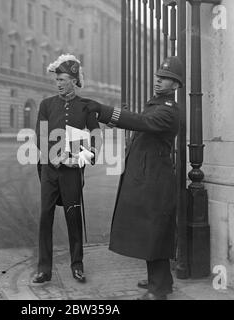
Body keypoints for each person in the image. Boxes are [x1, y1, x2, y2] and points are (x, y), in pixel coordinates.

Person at [83, 56, 183, 300]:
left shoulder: (168, 111)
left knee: (155, 230)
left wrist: (105, 111)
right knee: (152, 229)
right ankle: (161, 281)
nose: (158, 82)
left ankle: (158, 291)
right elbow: (141, 122)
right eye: (158, 78)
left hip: (156, 179)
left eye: (165, 79)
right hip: (150, 176)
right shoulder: (157, 105)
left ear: (176, 85)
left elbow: (141, 122)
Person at [33, 54, 101, 285]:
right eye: (57, 80)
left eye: (63, 79)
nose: (59, 83)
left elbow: (94, 138)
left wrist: (81, 157)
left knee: (73, 217)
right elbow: (40, 137)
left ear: (74, 80)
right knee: (45, 217)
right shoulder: (46, 105)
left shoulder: (86, 107)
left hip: (72, 172)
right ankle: (44, 269)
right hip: (49, 170)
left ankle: (77, 265)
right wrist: (55, 157)